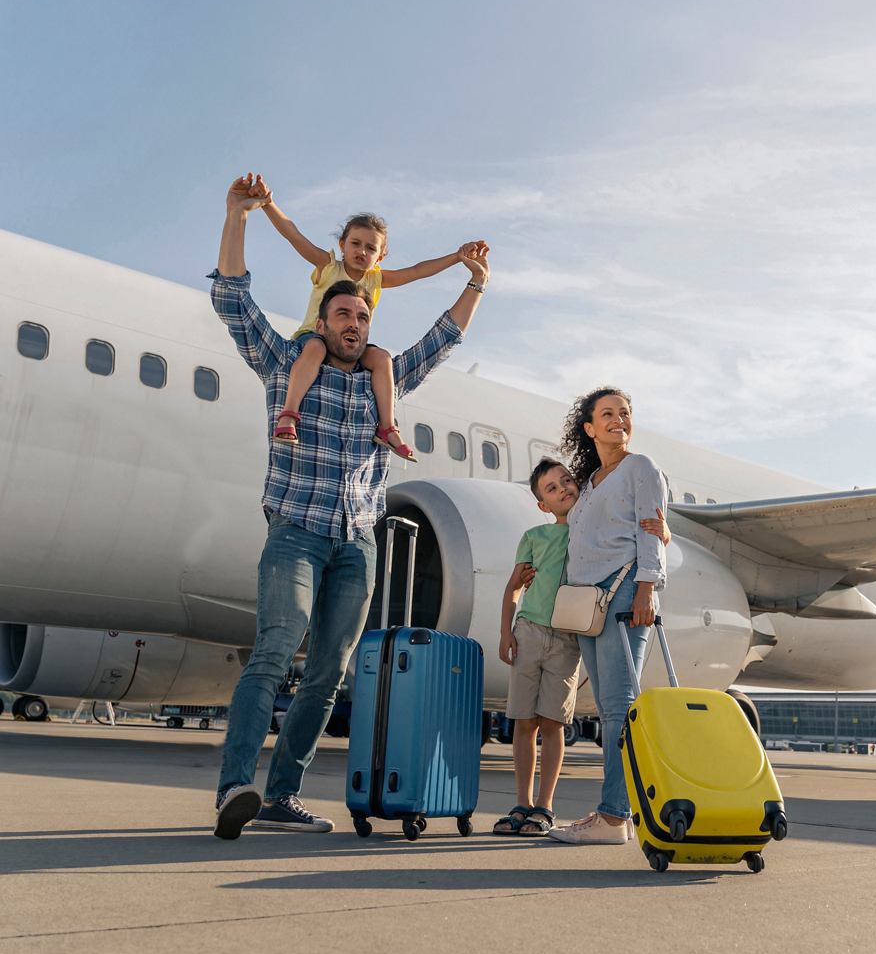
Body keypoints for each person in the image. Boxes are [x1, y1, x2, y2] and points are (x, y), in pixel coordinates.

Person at [209, 172, 490, 840]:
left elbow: (441, 338)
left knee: (330, 671)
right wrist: (237, 217)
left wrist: (473, 280)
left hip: (356, 545)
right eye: (343, 314)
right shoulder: (287, 365)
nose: (355, 322)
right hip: (296, 534)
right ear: (322, 318)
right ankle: (235, 785)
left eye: (363, 315)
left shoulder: (379, 385)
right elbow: (232, 298)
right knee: (276, 648)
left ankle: (282, 795)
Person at [494, 458, 668, 837]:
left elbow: (632, 539)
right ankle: (521, 803)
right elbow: (513, 587)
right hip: (529, 632)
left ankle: (545, 807)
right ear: (543, 504)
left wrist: (663, 532)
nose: (563, 490)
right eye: (552, 489)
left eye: (567, 481)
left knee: (554, 723)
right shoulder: (534, 537)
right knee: (524, 722)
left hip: (568, 637)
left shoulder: (591, 533)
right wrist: (506, 634)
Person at [260, 193, 481, 461]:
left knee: (382, 358)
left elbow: (417, 270)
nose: (361, 252)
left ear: (381, 255)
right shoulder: (328, 267)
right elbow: (293, 235)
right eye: (355, 243)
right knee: (316, 348)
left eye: (370, 248)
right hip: (315, 336)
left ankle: (387, 426)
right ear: (342, 244)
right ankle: (289, 413)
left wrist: (457, 257)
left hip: (351, 345)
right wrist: (268, 203)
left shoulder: (377, 279)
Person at [547, 388, 669, 845]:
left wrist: (647, 588)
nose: (619, 420)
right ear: (590, 428)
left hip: (623, 596)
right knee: (608, 709)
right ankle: (614, 815)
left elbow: (649, 528)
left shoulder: (641, 468)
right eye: (607, 414)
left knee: (620, 709)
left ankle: (614, 817)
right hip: (588, 604)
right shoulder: (593, 479)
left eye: (625, 413)